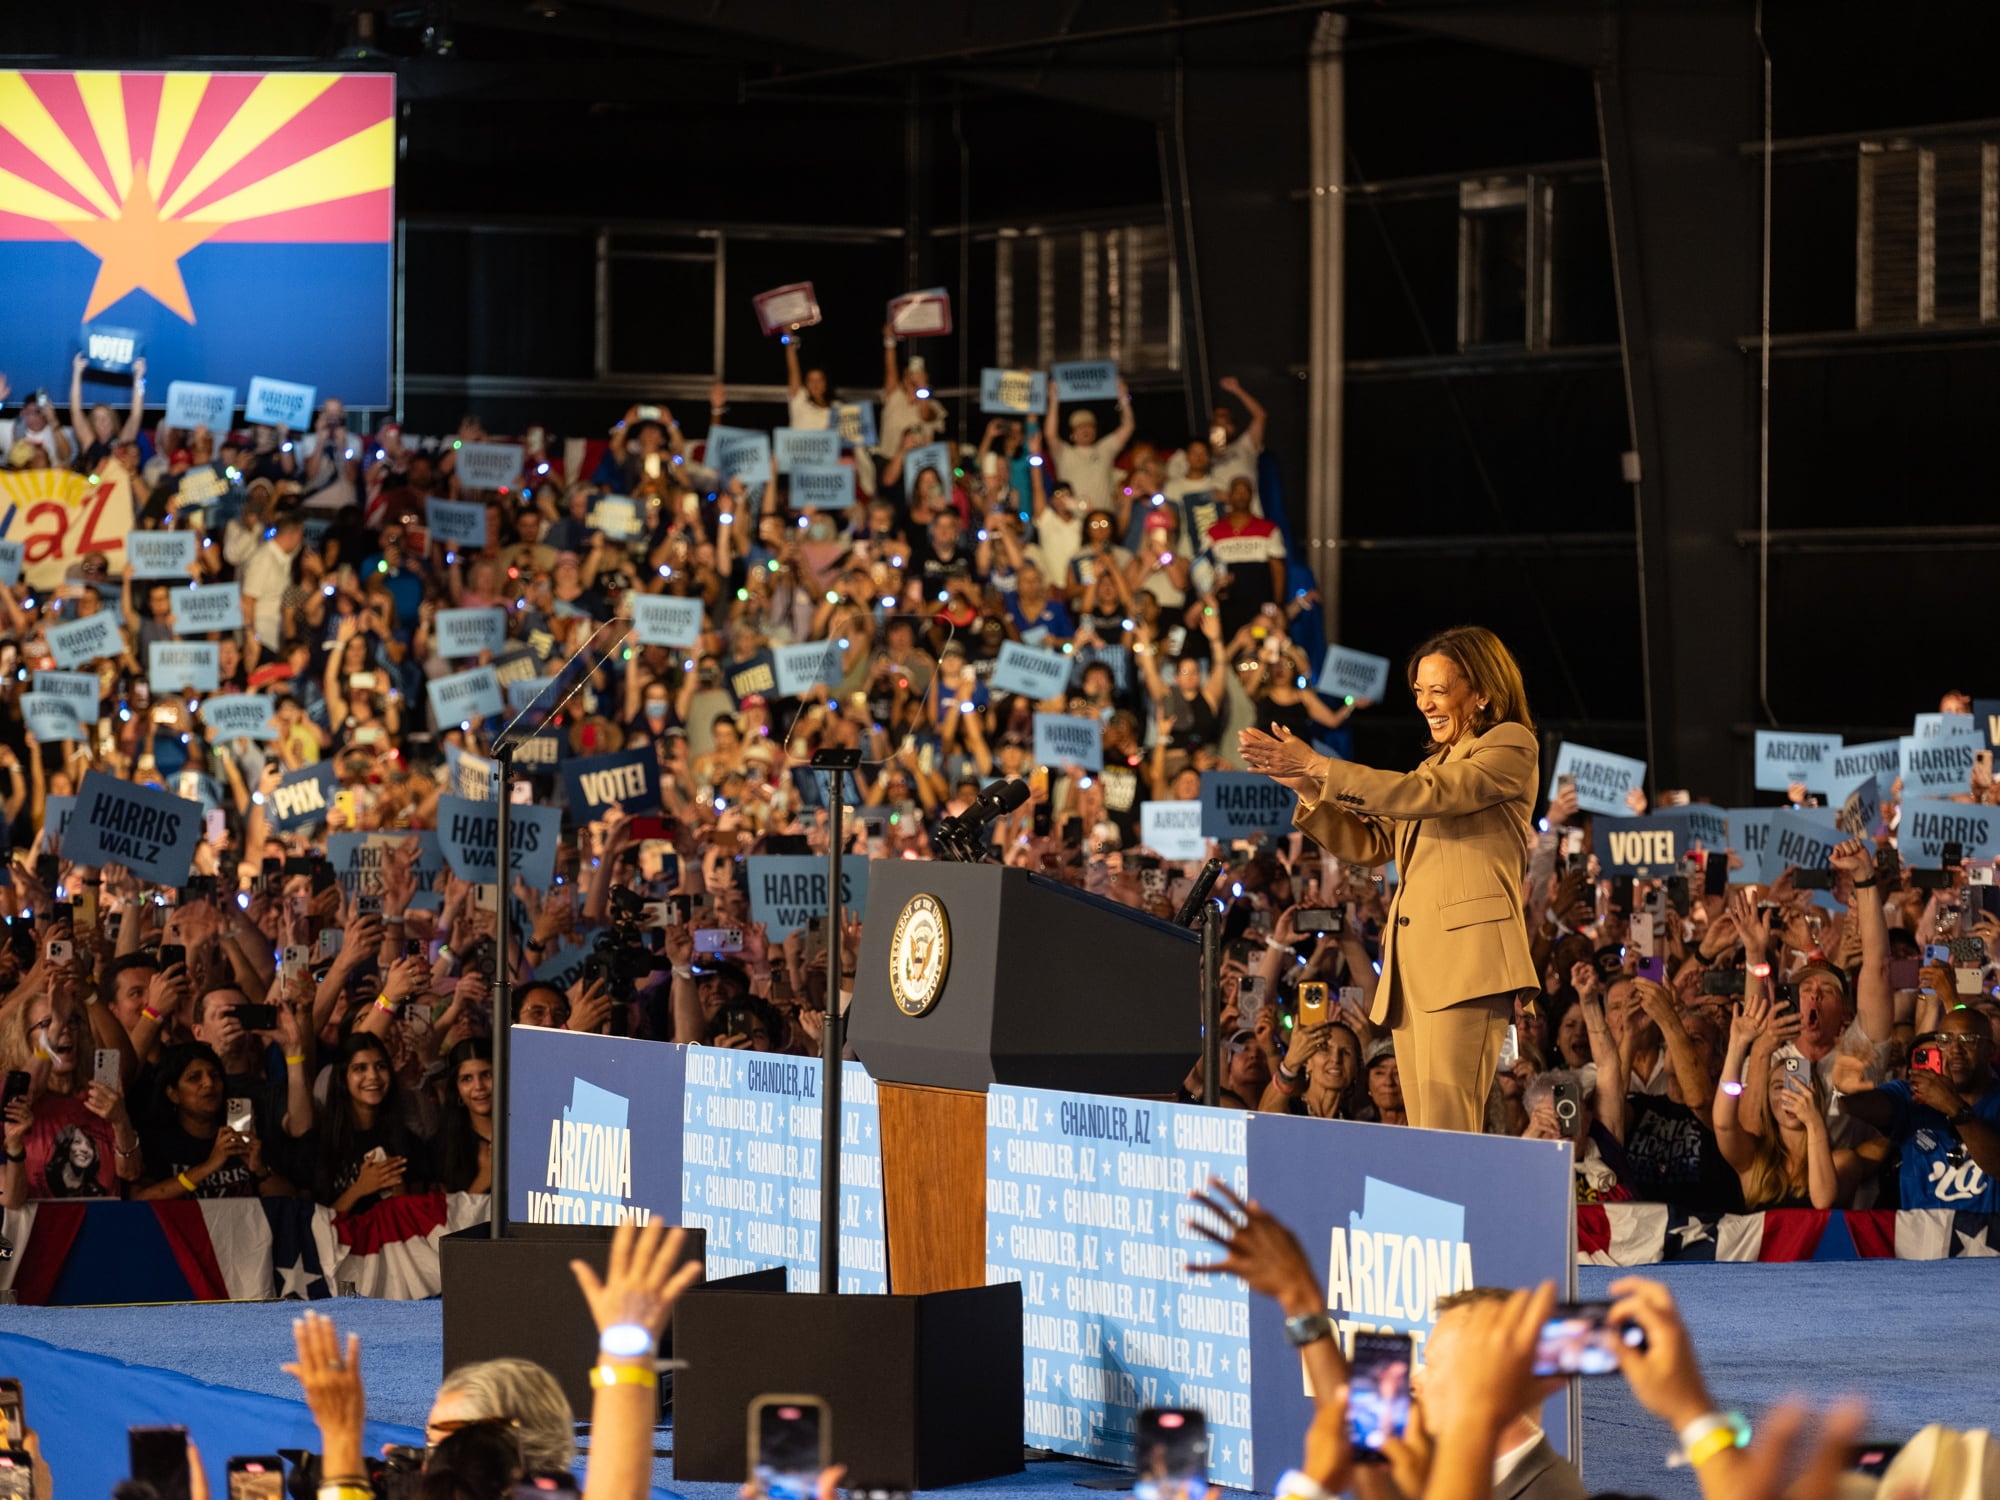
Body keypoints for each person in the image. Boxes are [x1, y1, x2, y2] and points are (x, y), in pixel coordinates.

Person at [1238, 626, 1538, 1132]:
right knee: (1424, 1134)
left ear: (1483, 690)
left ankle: (1459, 1213)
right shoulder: (1430, 768)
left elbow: (1429, 795)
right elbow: (1373, 844)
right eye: (1419, 692)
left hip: (1466, 967)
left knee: (1448, 1130)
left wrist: (1321, 764)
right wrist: (1309, 787)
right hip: (1416, 971)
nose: (1426, 704)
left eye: (1438, 690)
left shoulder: (1508, 745)